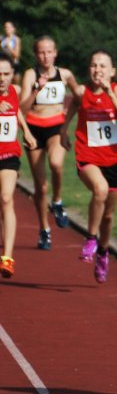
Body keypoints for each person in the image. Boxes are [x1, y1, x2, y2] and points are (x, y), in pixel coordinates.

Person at [60, 50, 117, 284]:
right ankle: (91, 238)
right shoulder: (82, 91)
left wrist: (111, 94)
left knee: (109, 216)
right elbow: (73, 106)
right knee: (100, 189)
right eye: (94, 65)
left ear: (112, 71)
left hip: (114, 161)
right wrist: (64, 130)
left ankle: (103, 251)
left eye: (103, 66)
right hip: (87, 157)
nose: (98, 70)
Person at [19, 35, 80, 248]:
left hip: (56, 128)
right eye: (41, 52)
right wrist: (37, 88)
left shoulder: (65, 74)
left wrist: (66, 123)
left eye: (49, 52)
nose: (46, 56)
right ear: (36, 55)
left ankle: (57, 200)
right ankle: (44, 230)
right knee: (41, 186)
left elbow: (79, 98)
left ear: (55, 53)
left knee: (56, 163)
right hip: (34, 129)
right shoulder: (30, 75)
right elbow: (21, 108)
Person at [0, 51, 37, 278]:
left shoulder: (14, 91)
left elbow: (17, 113)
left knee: (6, 198)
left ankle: (7, 258)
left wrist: (27, 132)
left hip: (9, 155)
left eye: (6, 74)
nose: (2, 78)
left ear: (12, 74)